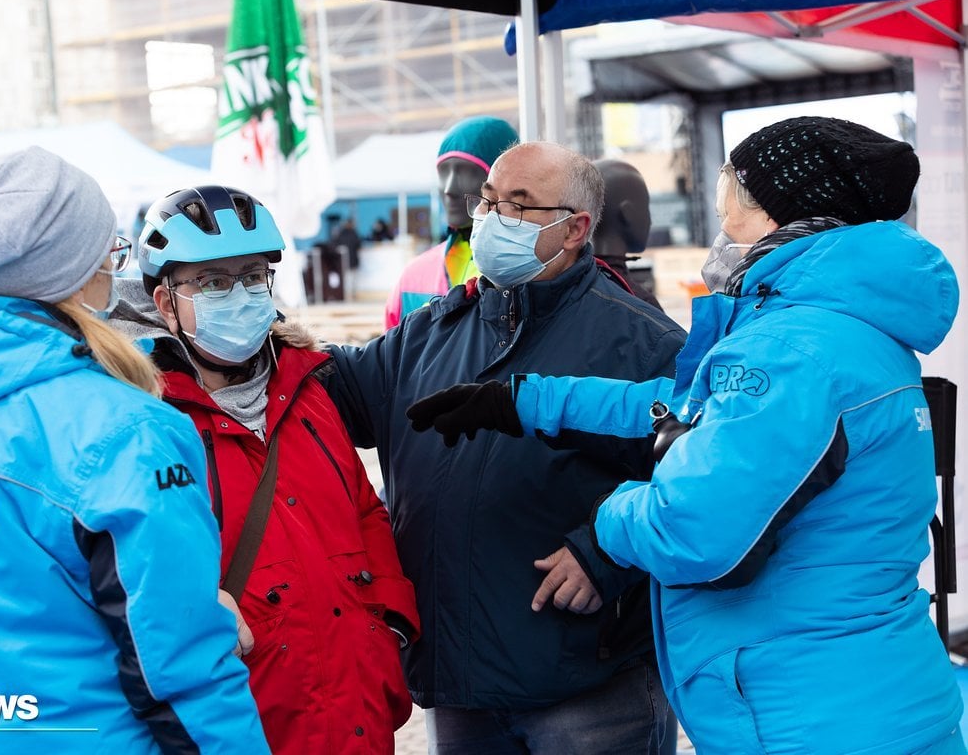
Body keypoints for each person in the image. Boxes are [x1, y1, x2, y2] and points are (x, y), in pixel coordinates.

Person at [405, 117, 966, 753]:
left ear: (796, 220)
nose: (723, 231)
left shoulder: (793, 352)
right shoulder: (834, 331)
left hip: (811, 714)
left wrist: (605, 527)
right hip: (865, 693)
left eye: (738, 210)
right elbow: (683, 408)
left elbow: (692, 528)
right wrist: (525, 400)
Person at [0, 147, 268, 754]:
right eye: (111, 252)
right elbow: (181, 670)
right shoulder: (129, 430)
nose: (114, 268)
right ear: (80, 268)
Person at [325, 141, 686, 754]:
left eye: (517, 207)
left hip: (586, 685)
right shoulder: (433, 328)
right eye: (488, 201)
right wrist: (262, 338)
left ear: (574, 229)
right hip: (461, 684)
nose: (491, 219)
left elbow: (696, 486)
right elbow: (339, 390)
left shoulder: (643, 341)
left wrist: (606, 555)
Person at [109, 184, 420, 755]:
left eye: (253, 276)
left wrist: (389, 627)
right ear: (163, 302)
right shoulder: (142, 416)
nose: (241, 294)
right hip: (241, 721)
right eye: (212, 281)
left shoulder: (308, 388)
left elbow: (362, 510)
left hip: (356, 713)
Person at [383, 115, 519, 329]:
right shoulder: (412, 277)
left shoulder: (526, 271)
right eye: (443, 172)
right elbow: (392, 359)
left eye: (467, 172)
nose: (448, 188)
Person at [592, 159, 663, 311]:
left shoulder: (564, 288)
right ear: (628, 214)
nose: (651, 220)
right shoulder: (641, 304)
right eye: (646, 207)